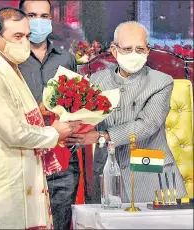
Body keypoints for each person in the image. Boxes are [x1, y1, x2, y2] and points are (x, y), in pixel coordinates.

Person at [0, 7, 80, 229]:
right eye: (17, 36)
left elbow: (9, 118)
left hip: (12, 177)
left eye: (27, 36)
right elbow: (13, 132)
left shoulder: (7, 69)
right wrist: (54, 133)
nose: (24, 42)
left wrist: (39, 113)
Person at [65, 21, 187, 203]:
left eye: (140, 49)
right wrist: (70, 135)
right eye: (127, 49)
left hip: (149, 173)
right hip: (107, 174)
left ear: (148, 50)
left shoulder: (161, 81)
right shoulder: (97, 80)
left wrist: (101, 136)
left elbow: (147, 125)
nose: (134, 55)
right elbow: (82, 121)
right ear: (114, 50)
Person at [18, 1, 79, 229]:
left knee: (61, 223)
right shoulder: (10, 60)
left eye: (44, 16)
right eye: (31, 15)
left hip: (63, 159)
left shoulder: (65, 58)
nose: (38, 21)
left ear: (51, 19)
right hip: (24, 158)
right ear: (20, 18)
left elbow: (77, 103)